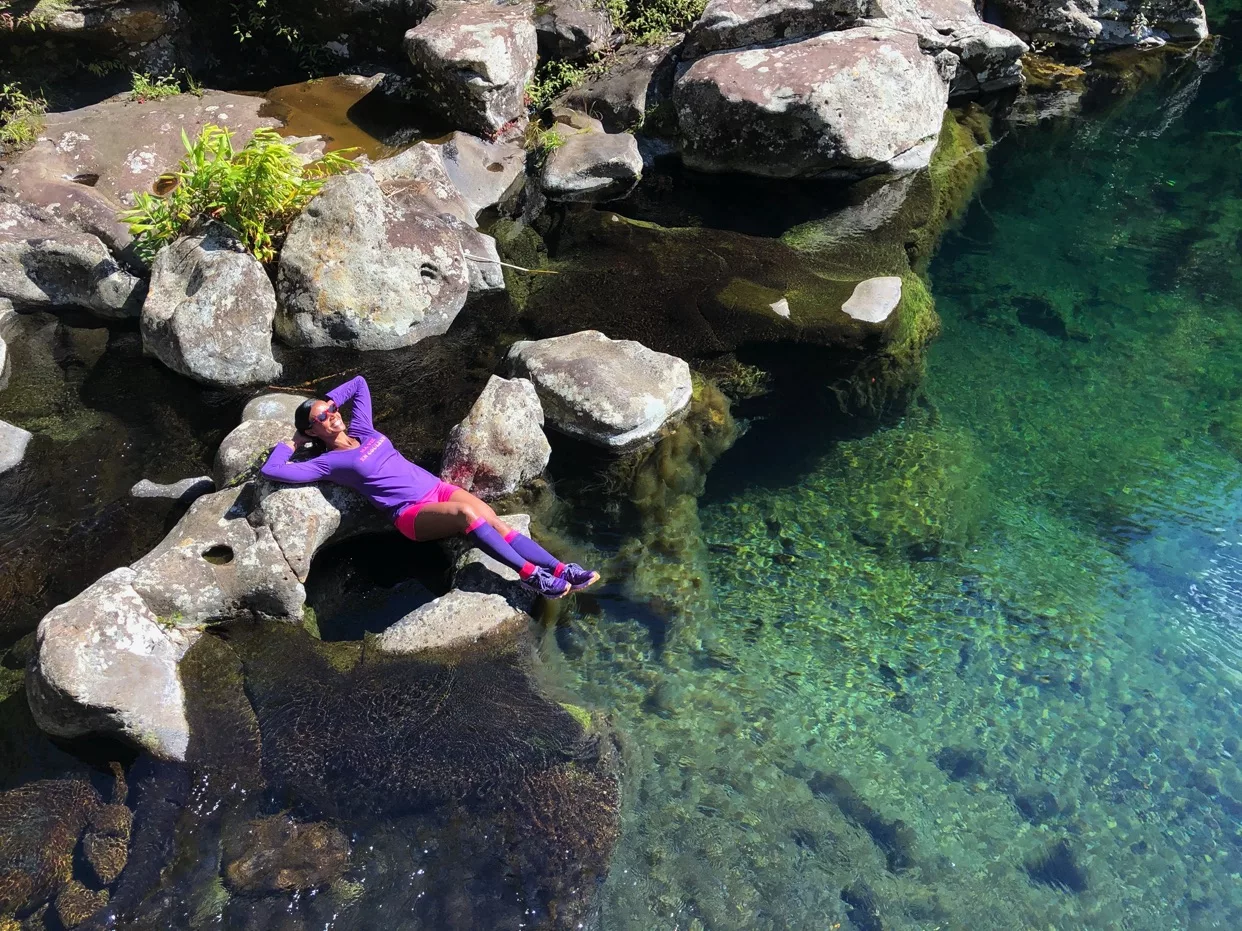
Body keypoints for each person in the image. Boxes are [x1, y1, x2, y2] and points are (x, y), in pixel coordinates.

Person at [259, 375, 599, 599]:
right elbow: (272, 469)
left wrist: (326, 400)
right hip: (411, 514)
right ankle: (530, 575)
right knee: (468, 516)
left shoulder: (362, 429)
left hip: (437, 489)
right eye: (322, 418)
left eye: (332, 410)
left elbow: (360, 383)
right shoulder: (327, 462)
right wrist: (293, 440)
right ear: (312, 431)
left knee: (495, 520)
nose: (332, 415)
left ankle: (559, 568)